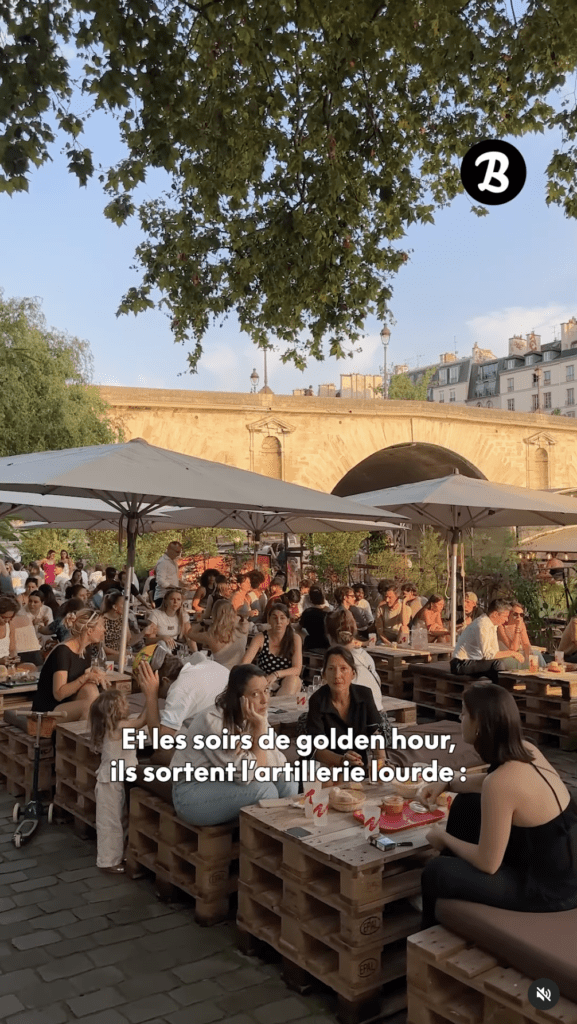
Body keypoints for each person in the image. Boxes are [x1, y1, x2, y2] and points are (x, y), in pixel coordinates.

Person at [418, 682, 577, 929]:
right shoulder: (528, 749)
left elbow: (488, 863)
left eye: (463, 713)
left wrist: (443, 837)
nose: (459, 718)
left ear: (479, 723)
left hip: (547, 890)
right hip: (558, 865)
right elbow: (488, 783)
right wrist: (447, 782)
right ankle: (458, 886)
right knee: (466, 804)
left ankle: (428, 933)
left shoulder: (500, 783)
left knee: (435, 872)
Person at [170, 664, 298, 826]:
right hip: (192, 792)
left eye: (266, 690)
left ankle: (284, 832)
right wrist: (258, 734)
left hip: (227, 782)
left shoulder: (256, 716)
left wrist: (253, 742)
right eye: (255, 694)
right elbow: (248, 775)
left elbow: (279, 763)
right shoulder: (213, 721)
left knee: (287, 780)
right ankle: (256, 843)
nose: (265, 700)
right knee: (266, 790)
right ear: (239, 697)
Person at [89, 677, 156, 873]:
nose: (127, 706)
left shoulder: (115, 726)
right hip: (110, 781)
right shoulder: (117, 727)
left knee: (120, 819)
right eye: (124, 704)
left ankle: (120, 854)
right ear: (114, 711)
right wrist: (150, 696)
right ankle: (108, 861)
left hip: (115, 780)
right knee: (110, 822)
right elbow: (142, 721)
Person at [305, 646, 384, 771]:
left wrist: (381, 762)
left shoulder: (365, 695)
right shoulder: (317, 700)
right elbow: (317, 750)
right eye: (331, 669)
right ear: (324, 674)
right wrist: (342, 760)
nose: (337, 675)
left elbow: (375, 734)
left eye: (343, 669)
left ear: (353, 673)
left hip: (358, 763)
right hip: (327, 764)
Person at [32, 609, 107, 718]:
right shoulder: (63, 652)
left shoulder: (85, 650)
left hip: (67, 704)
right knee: (90, 707)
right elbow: (59, 694)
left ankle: (92, 731)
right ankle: (89, 733)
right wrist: (86, 677)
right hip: (49, 708)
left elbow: (82, 684)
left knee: (91, 690)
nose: (104, 630)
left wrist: (92, 673)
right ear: (89, 631)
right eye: (101, 626)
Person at [138, 652, 230, 739]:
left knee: (160, 755)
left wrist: (151, 695)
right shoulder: (207, 664)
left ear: (165, 680)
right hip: (234, 733)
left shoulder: (179, 690)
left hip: (221, 745)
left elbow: (162, 742)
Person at [451, 599, 523, 687]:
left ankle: (506, 693)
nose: (506, 619)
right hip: (461, 664)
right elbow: (488, 655)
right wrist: (511, 653)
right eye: (505, 616)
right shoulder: (482, 625)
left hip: (475, 661)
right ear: (495, 614)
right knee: (497, 665)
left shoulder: (492, 625)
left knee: (503, 668)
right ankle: (501, 695)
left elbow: (494, 652)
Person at [324, 609, 383, 710]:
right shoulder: (365, 656)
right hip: (378, 712)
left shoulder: (336, 660)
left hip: (357, 717)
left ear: (329, 636)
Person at [242, 602, 302, 695]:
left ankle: (279, 707)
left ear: (288, 621)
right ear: (269, 620)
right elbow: (244, 664)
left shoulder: (295, 639)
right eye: (274, 618)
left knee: (293, 680)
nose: (278, 622)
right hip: (264, 682)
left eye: (282, 618)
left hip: (286, 682)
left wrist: (276, 675)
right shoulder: (260, 638)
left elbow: (297, 669)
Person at [186, 599, 249, 670]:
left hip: (221, 673)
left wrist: (203, 623)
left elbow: (190, 633)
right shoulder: (243, 627)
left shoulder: (211, 636)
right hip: (240, 672)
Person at [497, 603, 545, 670]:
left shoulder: (521, 624)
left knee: (536, 655)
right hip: (506, 657)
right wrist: (518, 629)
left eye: (521, 615)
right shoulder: (501, 626)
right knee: (532, 658)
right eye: (515, 614)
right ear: (509, 614)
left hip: (518, 654)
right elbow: (513, 648)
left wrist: (528, 653)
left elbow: (526, 643)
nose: (518, 617)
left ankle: (544, 674)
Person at [298, 586, 331, 652]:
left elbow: (299, 627)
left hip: (311, 645)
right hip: (327, 645)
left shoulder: (307, 613)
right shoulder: (329, 612)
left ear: (310, 599)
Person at [154, 540, 183, 607]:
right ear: (170, 550)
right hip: (163, 597)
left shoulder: (173, 562)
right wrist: (173, 587)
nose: (178, 554)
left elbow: (172, 578)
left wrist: (182, 585)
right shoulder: (163, 562)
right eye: (177, 552)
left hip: (171, 596)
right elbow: (160, 580)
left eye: (179, 552)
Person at [0, 595, 20, 663]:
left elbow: (12, 648)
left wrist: (14, 657)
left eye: (10, 618)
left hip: (6, 664)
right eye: (3, 617)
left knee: (30, 666)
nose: (6, 620)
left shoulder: (9, 625)